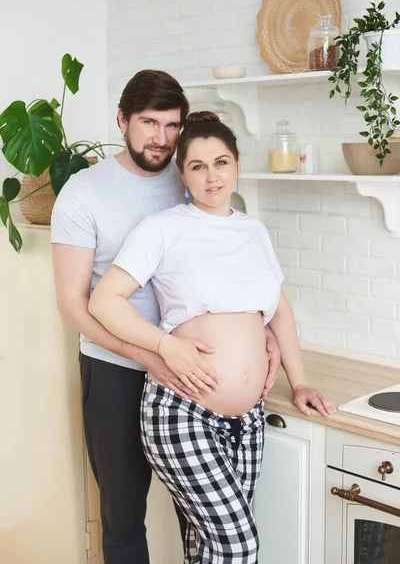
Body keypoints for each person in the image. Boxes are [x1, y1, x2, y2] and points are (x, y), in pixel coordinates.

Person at [50, 72, 281, 564]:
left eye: (171, 125)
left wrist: (263, 334)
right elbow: (73, 302)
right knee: (123, 515)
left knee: (201, 523)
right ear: (122, 121)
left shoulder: (193, 180)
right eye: (147, 123)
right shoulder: (84, 191)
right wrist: (149, 351)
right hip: (116, 368)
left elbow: (227, 275)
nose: (160, 137)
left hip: (194, 376)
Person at [89, 111, 336, 564]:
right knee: (237, 544)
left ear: (237, 164)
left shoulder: (253, 231)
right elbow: (104, 300)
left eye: (220, 162)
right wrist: (165, 345)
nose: (211, 175)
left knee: (207, 548)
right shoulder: (163, 228)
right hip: (184, 411)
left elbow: (277, 309)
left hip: (249, 420)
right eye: (197, 166)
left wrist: (298, 381)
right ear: (182, 174)